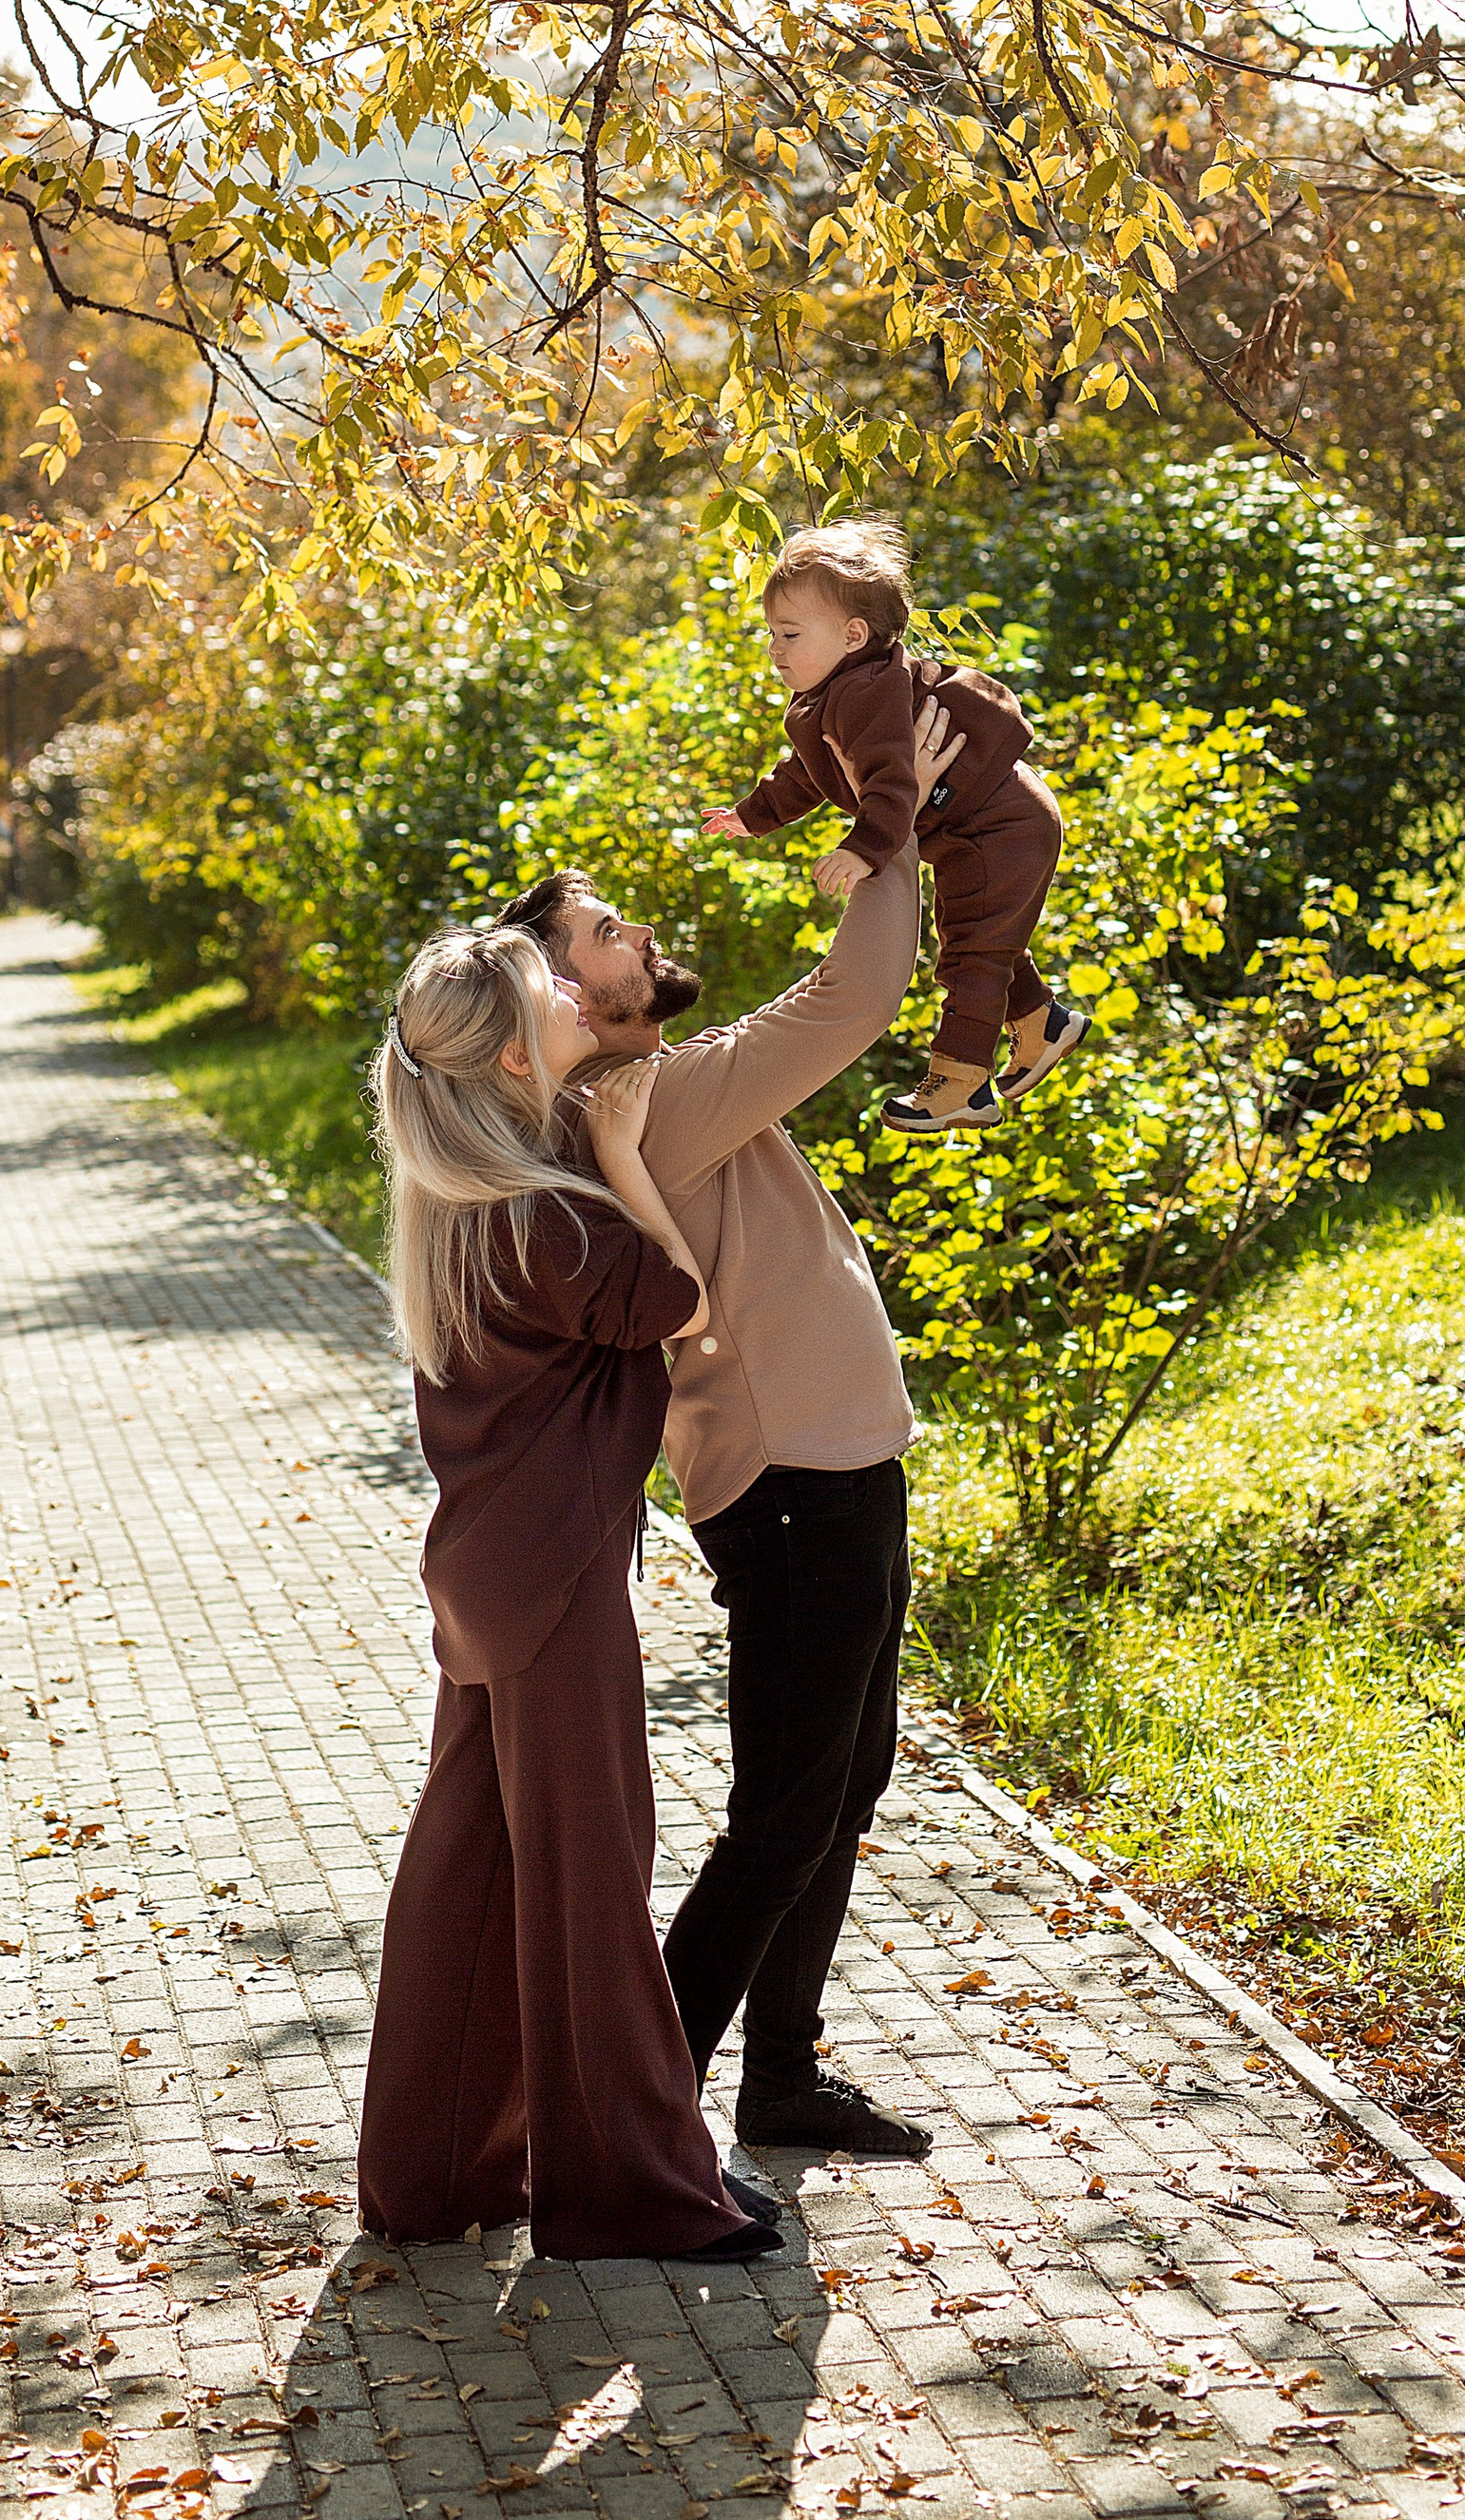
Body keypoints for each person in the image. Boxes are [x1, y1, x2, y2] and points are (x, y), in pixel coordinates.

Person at [490, 692, 960, 2164]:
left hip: (837, 1473)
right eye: (604, 935)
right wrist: (899, 827)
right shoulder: (651, 1095)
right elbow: (853, 999)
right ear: (564, 1002)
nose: (636, 937)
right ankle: (642, 2118)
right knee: (782, 1815)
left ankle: (781, 2079)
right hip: (798, 1491)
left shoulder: (637, 1103)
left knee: (839, 1786)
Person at [355, 921, 781, 2264]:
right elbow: (676, 1295)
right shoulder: (547, 1215)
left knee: (470, 1876)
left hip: (500, 1576)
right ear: (506, 1046)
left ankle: (432, 2181)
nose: (569, 981)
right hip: (549, 1588)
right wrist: (616, 1156)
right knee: (592, 1880)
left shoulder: (476, 1199)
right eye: (548, 984)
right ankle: (629, 2193)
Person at [702, 516, 1088, 1133]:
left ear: (853, 634)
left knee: (972, 954)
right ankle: (1042, 1024)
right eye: (771, 632)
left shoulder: (867, 693)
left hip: (1002, 822)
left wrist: (864, 849)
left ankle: (960, 1080)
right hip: (989, 823)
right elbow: (808, 772)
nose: (775, 648)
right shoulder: (837, 694)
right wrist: (753, 816)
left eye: (790, 634)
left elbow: (890, 782)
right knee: (971, 935)